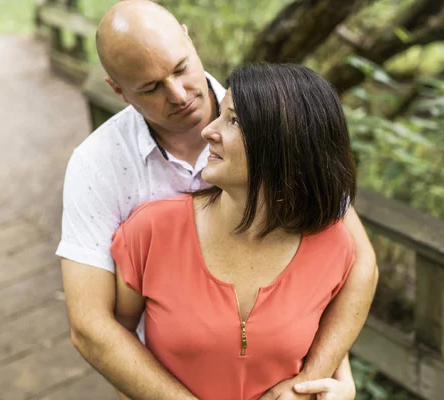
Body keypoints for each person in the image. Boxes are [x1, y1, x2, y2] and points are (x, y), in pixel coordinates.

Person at [58, 0, 378, 399]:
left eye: (180, 68)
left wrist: (314, 380)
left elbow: (347, 268)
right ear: (118, 90)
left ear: (190, 41)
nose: (178, 95)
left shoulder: (270, 114)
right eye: (151, 87)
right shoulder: (100, 166)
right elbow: (93, 327)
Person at [111, 62, 359, 400]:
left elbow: (321, 320)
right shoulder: (151, 231)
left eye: (234, 120)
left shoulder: (333, 243)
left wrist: (339, 383)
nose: (208, 132)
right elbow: (119, 344)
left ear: (284, 144)